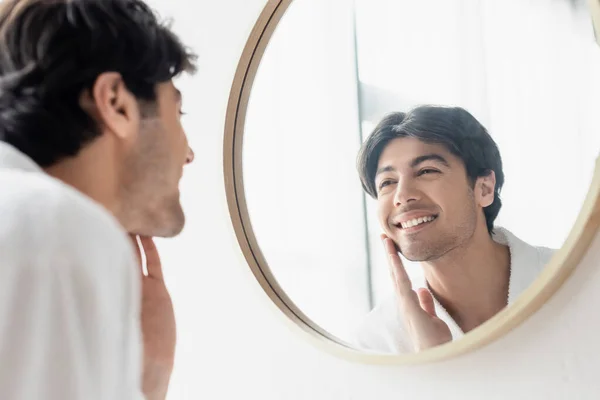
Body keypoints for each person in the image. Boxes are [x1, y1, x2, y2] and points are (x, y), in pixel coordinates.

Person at [0, 0, 196, 398]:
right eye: (178, 111)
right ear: (116, 103)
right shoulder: (52, 228)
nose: (188, 152)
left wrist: (147, 378)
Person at [354, 105, 554, 354]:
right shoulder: (377, 340)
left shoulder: (582, 275)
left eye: (427, 171)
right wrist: (432, 363)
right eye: (387, 182)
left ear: (484, 189)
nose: (402, 196)